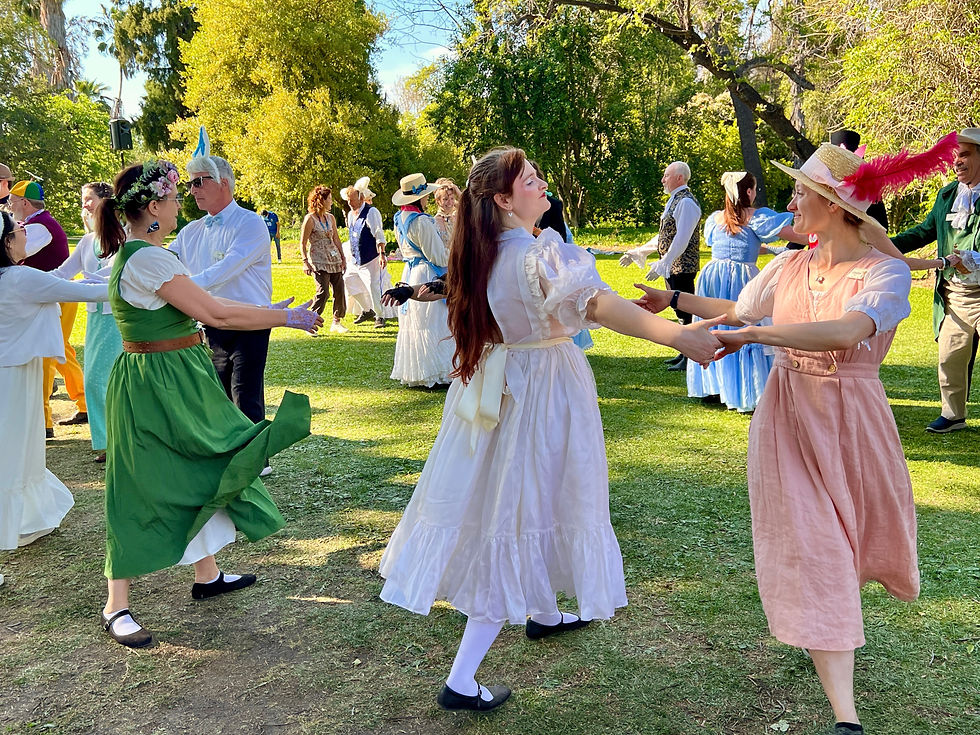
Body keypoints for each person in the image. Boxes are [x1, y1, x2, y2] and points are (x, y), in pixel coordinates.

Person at [379, 147, 723, 711]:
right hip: (538, 388)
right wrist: (675, 335)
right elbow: (598, 304)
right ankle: (462, 679)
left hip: (503, 384)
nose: (542, 186)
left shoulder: (485, 252)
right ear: (502, 200)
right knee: (519, 508)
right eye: (531, 181)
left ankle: (542, 612)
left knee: (525, 496)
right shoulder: (538, 253)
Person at [634, 138, 953, 733]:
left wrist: (760, 337)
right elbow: (737, 309)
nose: (793, 199)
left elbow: (847, 330)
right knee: (817, 550)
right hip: (787, 418)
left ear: (834, 204)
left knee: (846, 543)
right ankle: (846, 718)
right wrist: (673, 299)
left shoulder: (883, 271)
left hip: (852, 421)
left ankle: (825, 632)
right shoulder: (789, 263)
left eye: (802, 190)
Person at [93, 159, 321, 648]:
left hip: (174, 378)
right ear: (153, 207)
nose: (180, 205)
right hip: (156, 384)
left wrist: (273, 314)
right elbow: (214, 311)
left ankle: (207, 573)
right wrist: (282, 316)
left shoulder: (150, 253)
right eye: (174, 198)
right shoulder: (147, 258)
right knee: (139, 485)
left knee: (199, 467)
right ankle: (116, 604)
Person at [0, 211, 107, 562]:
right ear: (6, 242)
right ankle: (12, 521)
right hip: (14, 374)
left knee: (18, 445)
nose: (24, 234)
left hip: (17, 369)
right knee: (16, 448)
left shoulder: (16, 277)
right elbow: (81, 290)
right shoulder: (20, 278)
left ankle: (23, 519)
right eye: (18, 230)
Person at [170, 154, 276, 473]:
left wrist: (180, 289)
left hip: (249, 319)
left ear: (224, 184)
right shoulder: (191, 231)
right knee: (217, 389)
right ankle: (229, 453)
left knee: (245, 390)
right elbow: (162, 261)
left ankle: (256, 459)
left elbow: (224, 270)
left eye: (199, 181)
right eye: (189, 184)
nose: (192, 190)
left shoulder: (250, 223)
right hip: (210, 321)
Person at [687, 171, 807, 411]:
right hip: (741, 277)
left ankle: (716, 385)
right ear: (749, 192)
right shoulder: (757, 217)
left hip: (712, 275)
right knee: (742, 323)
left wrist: (770, 250)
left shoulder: (716, 219)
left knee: (714, 323)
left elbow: (735, 244)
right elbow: (801, 237)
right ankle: (745, 388)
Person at [890, 128, 980, 433]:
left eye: (965, 154)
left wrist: (973, 257)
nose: (957, 161)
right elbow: (923, 232)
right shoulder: (947, 195)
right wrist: (884, 244)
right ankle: (953, 415)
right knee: (950, 358)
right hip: (954, 294)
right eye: (956, 155)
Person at [8, 180, 87, 435]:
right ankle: (84, 403)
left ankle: (43, 421)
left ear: (24, 203)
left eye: (12, 200)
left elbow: (18, 254)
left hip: (55, 294)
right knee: (60, 348)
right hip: (50, 293)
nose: (9, 205)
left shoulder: (39, 227)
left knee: (46, 351)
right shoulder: (37, 223)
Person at [50, 182, 121, 461]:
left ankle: (117, 442)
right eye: (83, 200)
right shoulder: (86, 241)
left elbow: (113, 277)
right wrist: (34, 283)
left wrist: (80, 285)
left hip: (117, 319)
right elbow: (63, 272)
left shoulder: (123, 236)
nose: (85, 205)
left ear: (106, 202)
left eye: (89, 199)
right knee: (94, 381)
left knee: (108, 381)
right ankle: (106, 441)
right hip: (94, 320)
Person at [389, 174, 454, 387]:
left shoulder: (400, 217)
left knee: (418, 323)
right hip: (427, 272)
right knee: (434, 321)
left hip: (410, 272)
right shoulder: (422, 222)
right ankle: (439, 371)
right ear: (421, 197)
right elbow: (437, 256)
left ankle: (421, 370)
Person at [647, 162, 703, 371]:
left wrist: (666, 261)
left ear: (679, 178)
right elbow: (665, 235)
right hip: (673, 266)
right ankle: (684, 352)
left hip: (682, 265)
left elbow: (682, 238)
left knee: (685, 309)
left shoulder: (686, 202)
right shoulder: (675, 200)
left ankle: (689, 354)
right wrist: (642, 251)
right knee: (678, 309)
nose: (663, 179)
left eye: (666, 175)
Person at [300, 186, 347, 334]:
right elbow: (302, 242)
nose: (332, 202)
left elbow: (336, 239)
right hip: (318, 260)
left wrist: (343, 257)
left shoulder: (331, 218)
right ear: (321, 200)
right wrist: (305, 261)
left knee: (339, 290)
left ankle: (337, 321)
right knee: (323, 292)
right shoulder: (310, 219)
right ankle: (310, 322)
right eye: (330, 199)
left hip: (334, 259)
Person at [345, 177, 389, 328]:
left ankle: (380, 315)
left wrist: (382, 254)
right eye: (348, 200)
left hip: (371, 258)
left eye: (352, 200)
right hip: (356, 259)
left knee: (373, 286)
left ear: (361, 198)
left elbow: (379, 234)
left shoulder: (372, 212)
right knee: (348, 281)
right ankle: (366, 310)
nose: (349, 203)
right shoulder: (350, 214)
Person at [433, 177, 460, 246]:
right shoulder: (434, 221)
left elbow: (469, 207)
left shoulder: (458, 215)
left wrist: (457, 190)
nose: (450, 202)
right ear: (438, 201)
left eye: (452, 198)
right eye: (445, 199)